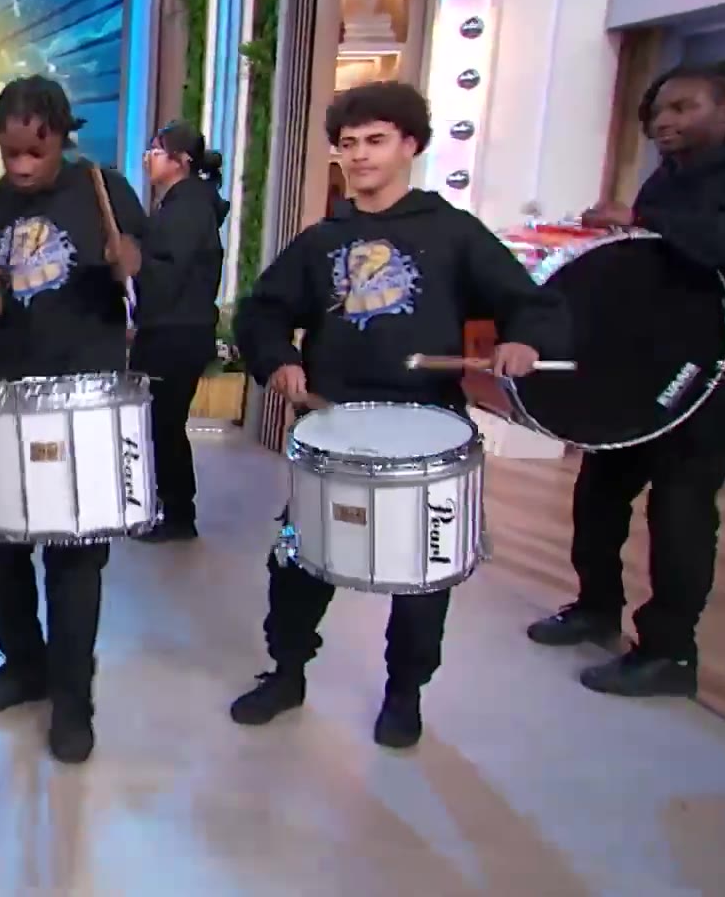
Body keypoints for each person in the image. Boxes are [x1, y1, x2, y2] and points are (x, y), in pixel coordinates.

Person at [228, 81, 570, 748]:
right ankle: (287, 672)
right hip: (334, 427)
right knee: (298, 562)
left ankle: (404, 694)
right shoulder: (323, 240)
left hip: (427, 432)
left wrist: (525, 341)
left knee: (421, 576)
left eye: (376, 141)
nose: (359, 155)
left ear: (410, 145)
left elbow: (529, 303)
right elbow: (262, 311)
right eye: (348, 143)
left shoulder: (452, 232)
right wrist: (278, 360)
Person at [526, 60, 725, 697]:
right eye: (657, 111)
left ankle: (670, 654)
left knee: (680, 507)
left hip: (723, 376)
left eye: (683, 108)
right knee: (600, 489)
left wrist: (640, 218)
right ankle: (596, 606)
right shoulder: (669, 176)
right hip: (650, 368)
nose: (662, 122)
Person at [0, 75, 147, 764]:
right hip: (12, 398)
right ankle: (24, 666)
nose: (20, 167)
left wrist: (129, 265)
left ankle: (73, 702)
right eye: (9, 153)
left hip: (84, 396)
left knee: (74, 558)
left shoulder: (102, 189)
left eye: (34, 153)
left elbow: (147, 270)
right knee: (3, 549)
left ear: (62, 140)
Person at [130, 123, 228, 543]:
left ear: (181, 161)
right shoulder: (177, 204)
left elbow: (169, 273)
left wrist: (135, 263)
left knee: (165, 424)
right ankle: (166, 506)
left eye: (157, 151)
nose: (148, 158)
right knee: (160, 422)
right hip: (168, 328)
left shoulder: (188, 208)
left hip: (177, 333)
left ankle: (177, 514)